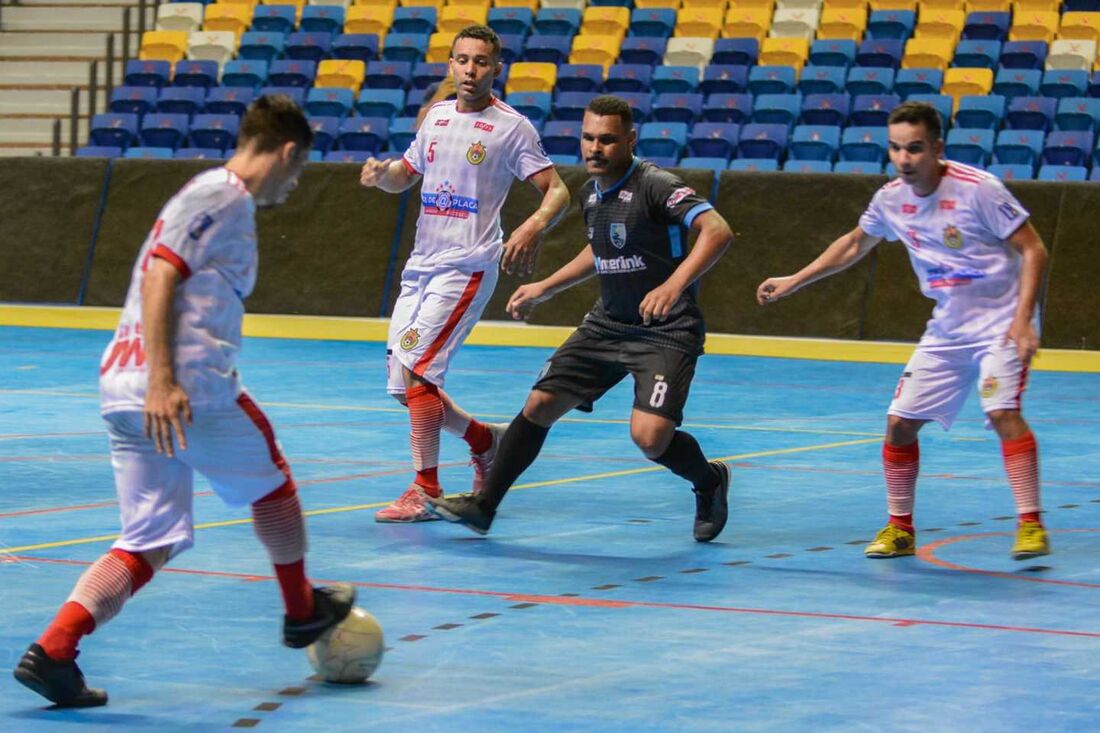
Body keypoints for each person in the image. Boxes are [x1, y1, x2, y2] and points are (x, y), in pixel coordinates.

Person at [13, 95, 355, 708]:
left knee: (149, 538)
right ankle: (302, 610)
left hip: (122, 386)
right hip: (184, 384)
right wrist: (163, 378)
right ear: (286, 152)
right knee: (273, 481)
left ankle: (55, 650)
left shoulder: (213, 199)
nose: (294, 182)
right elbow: (161, 273)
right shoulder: (223, 194)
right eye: (298, 168)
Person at [427, 95, 735, 542]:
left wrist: (672, 286)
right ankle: (484, 506)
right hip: (607, 324)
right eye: (588, 138)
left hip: (665, 331)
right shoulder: (592, 195)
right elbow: (601, 249)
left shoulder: (656, 185)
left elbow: (717, 230)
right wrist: (545, 287)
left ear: (630, 140)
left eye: (607, 140)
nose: (595, 148)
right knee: (538, 406)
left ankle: (709, 482)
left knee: (650, 438)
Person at [755, 101, 1050, 561]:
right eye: (895, 149)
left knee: (1000, 413)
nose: (904, 159)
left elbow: (1034, 250)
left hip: (1002, 322)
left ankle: (1031, 523)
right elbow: (854, 243)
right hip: (949, 326)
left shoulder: (980, 190)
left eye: (914, 149)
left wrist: (1022, 320)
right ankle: (900, 529)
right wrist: (795, 280)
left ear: (937, 148)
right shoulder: (891, 198)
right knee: (898, 424)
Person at [359, 25, 569, 523]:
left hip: (466, 268)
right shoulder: (434, 117)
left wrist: (534, 226)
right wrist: (381, 176)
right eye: (462, 60)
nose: (470, 70)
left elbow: (558, 190)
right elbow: (405, 177)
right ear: (450, 66)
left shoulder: (512, 127)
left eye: (480, 61)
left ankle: (424, 490)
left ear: (496, 68)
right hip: (420, 268)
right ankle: (484, 441)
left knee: (417, 374)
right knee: (403, 386)